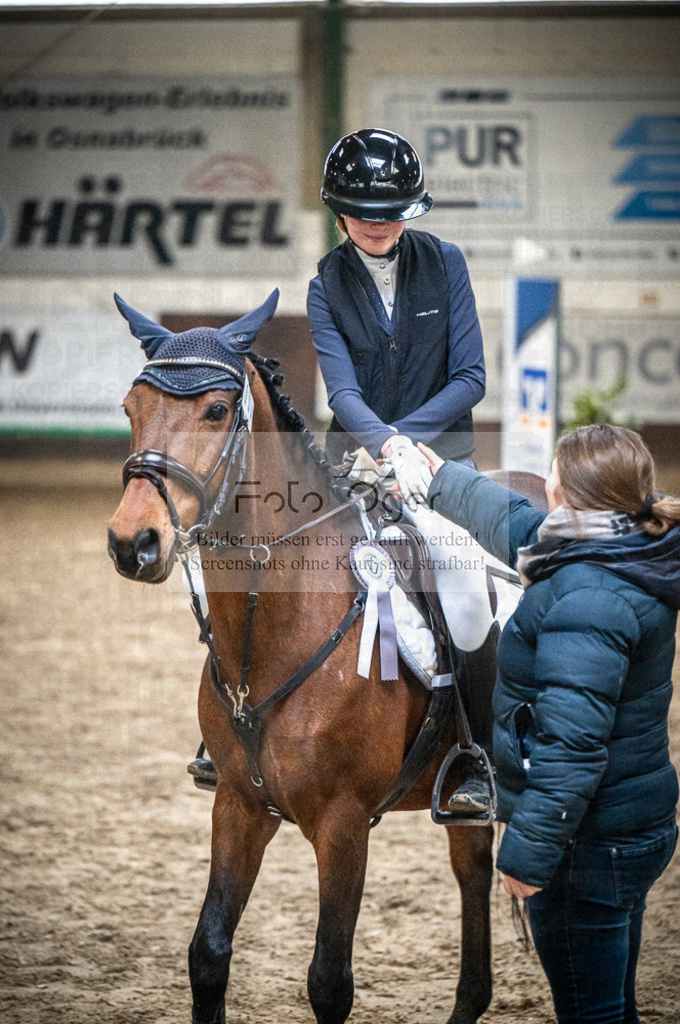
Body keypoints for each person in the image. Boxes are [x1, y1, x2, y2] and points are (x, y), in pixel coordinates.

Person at [417, 423, 679, 1024]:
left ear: (565, 490)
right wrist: (438, 478)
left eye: (555, 469)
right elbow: (511, 520)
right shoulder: (615, 541)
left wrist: (528, 856)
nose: (547, 477)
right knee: (614, 1006)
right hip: (629, 824)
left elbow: (572, 746)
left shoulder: (586, 594)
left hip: (585, 846)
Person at [307, 127, 498, 814]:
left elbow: (471, 376)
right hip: (351, 460)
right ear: (337, 214)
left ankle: (477, 756)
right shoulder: (325, 283)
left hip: (440, 460)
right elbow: (342, 396)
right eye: (364, 213)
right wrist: (381, 445)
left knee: (465, 585)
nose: (378, 225)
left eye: (391, 213)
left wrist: (405, 443)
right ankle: (231, 732)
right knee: (268, 563)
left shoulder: (445, 262)